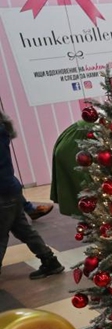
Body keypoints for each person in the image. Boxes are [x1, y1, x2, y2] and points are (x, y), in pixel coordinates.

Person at [0, 110, 64, 279]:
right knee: (23, 230)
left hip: (3, 193)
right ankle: (50, 262)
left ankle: (50, 262)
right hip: (10, 190)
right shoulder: (2, 130)